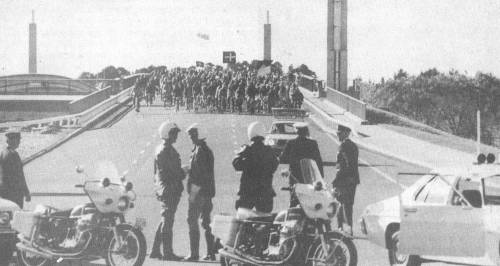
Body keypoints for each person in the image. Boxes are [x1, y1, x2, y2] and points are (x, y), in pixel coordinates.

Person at [150, 122, 186, 261]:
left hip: (165, 188)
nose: (176, 135)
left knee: (166, 218)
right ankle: (167, 252)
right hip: (168, 189)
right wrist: (183, 171)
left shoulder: (163, 148)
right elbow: (170, 173)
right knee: (167, 220)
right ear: (167, 134)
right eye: (174, 133)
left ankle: (154, 250)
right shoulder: (165, 150)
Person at [184, 124, 217, 261]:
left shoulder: (201, 151)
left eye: (193, 135)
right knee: (206, 222)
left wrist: (192, 194)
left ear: (199, 135)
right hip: (206, 191)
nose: (191, 137)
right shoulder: (202, 149)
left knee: (192, 219)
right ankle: (211, 252)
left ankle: (194, 253)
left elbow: (199, 174)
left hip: (198, 192)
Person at [232, 122, 278, 213]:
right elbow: (274, 166)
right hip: (265, 191)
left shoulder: (248, 150)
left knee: (242, 218)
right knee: (265, 220)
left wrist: (241, 153)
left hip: (248, 191)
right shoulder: (269, 150)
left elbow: (236, 165)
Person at [279, 122, 323, 207]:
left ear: (296, 131)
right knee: (309, 200)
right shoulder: (312, 143)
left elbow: (282, 158)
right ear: (306, 131)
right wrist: (321, 177)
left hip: (294, 176)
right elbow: (318, 160)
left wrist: (292, 160)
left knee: (294, 199)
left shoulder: (291, 143)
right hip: (309, 176)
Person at [332, 124, 359, 236]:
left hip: (344, 179)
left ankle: (341, 228)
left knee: (340, 203)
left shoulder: (343, 146)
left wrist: (336, 179)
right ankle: (349, 228)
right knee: (348, 204)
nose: (337, 134)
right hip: (353, 179)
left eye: (340, 133)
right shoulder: (354, 145)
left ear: (346, 133)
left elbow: (344, 166)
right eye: (337, 133)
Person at [0, 129, 30, 209]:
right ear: (12, 140)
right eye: (18, 140)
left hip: (4, 191)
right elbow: (19, 175)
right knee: (16, 215)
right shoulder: (12, 155)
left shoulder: (3, 153)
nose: (19, 142)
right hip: (14, 192)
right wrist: (26, 192)